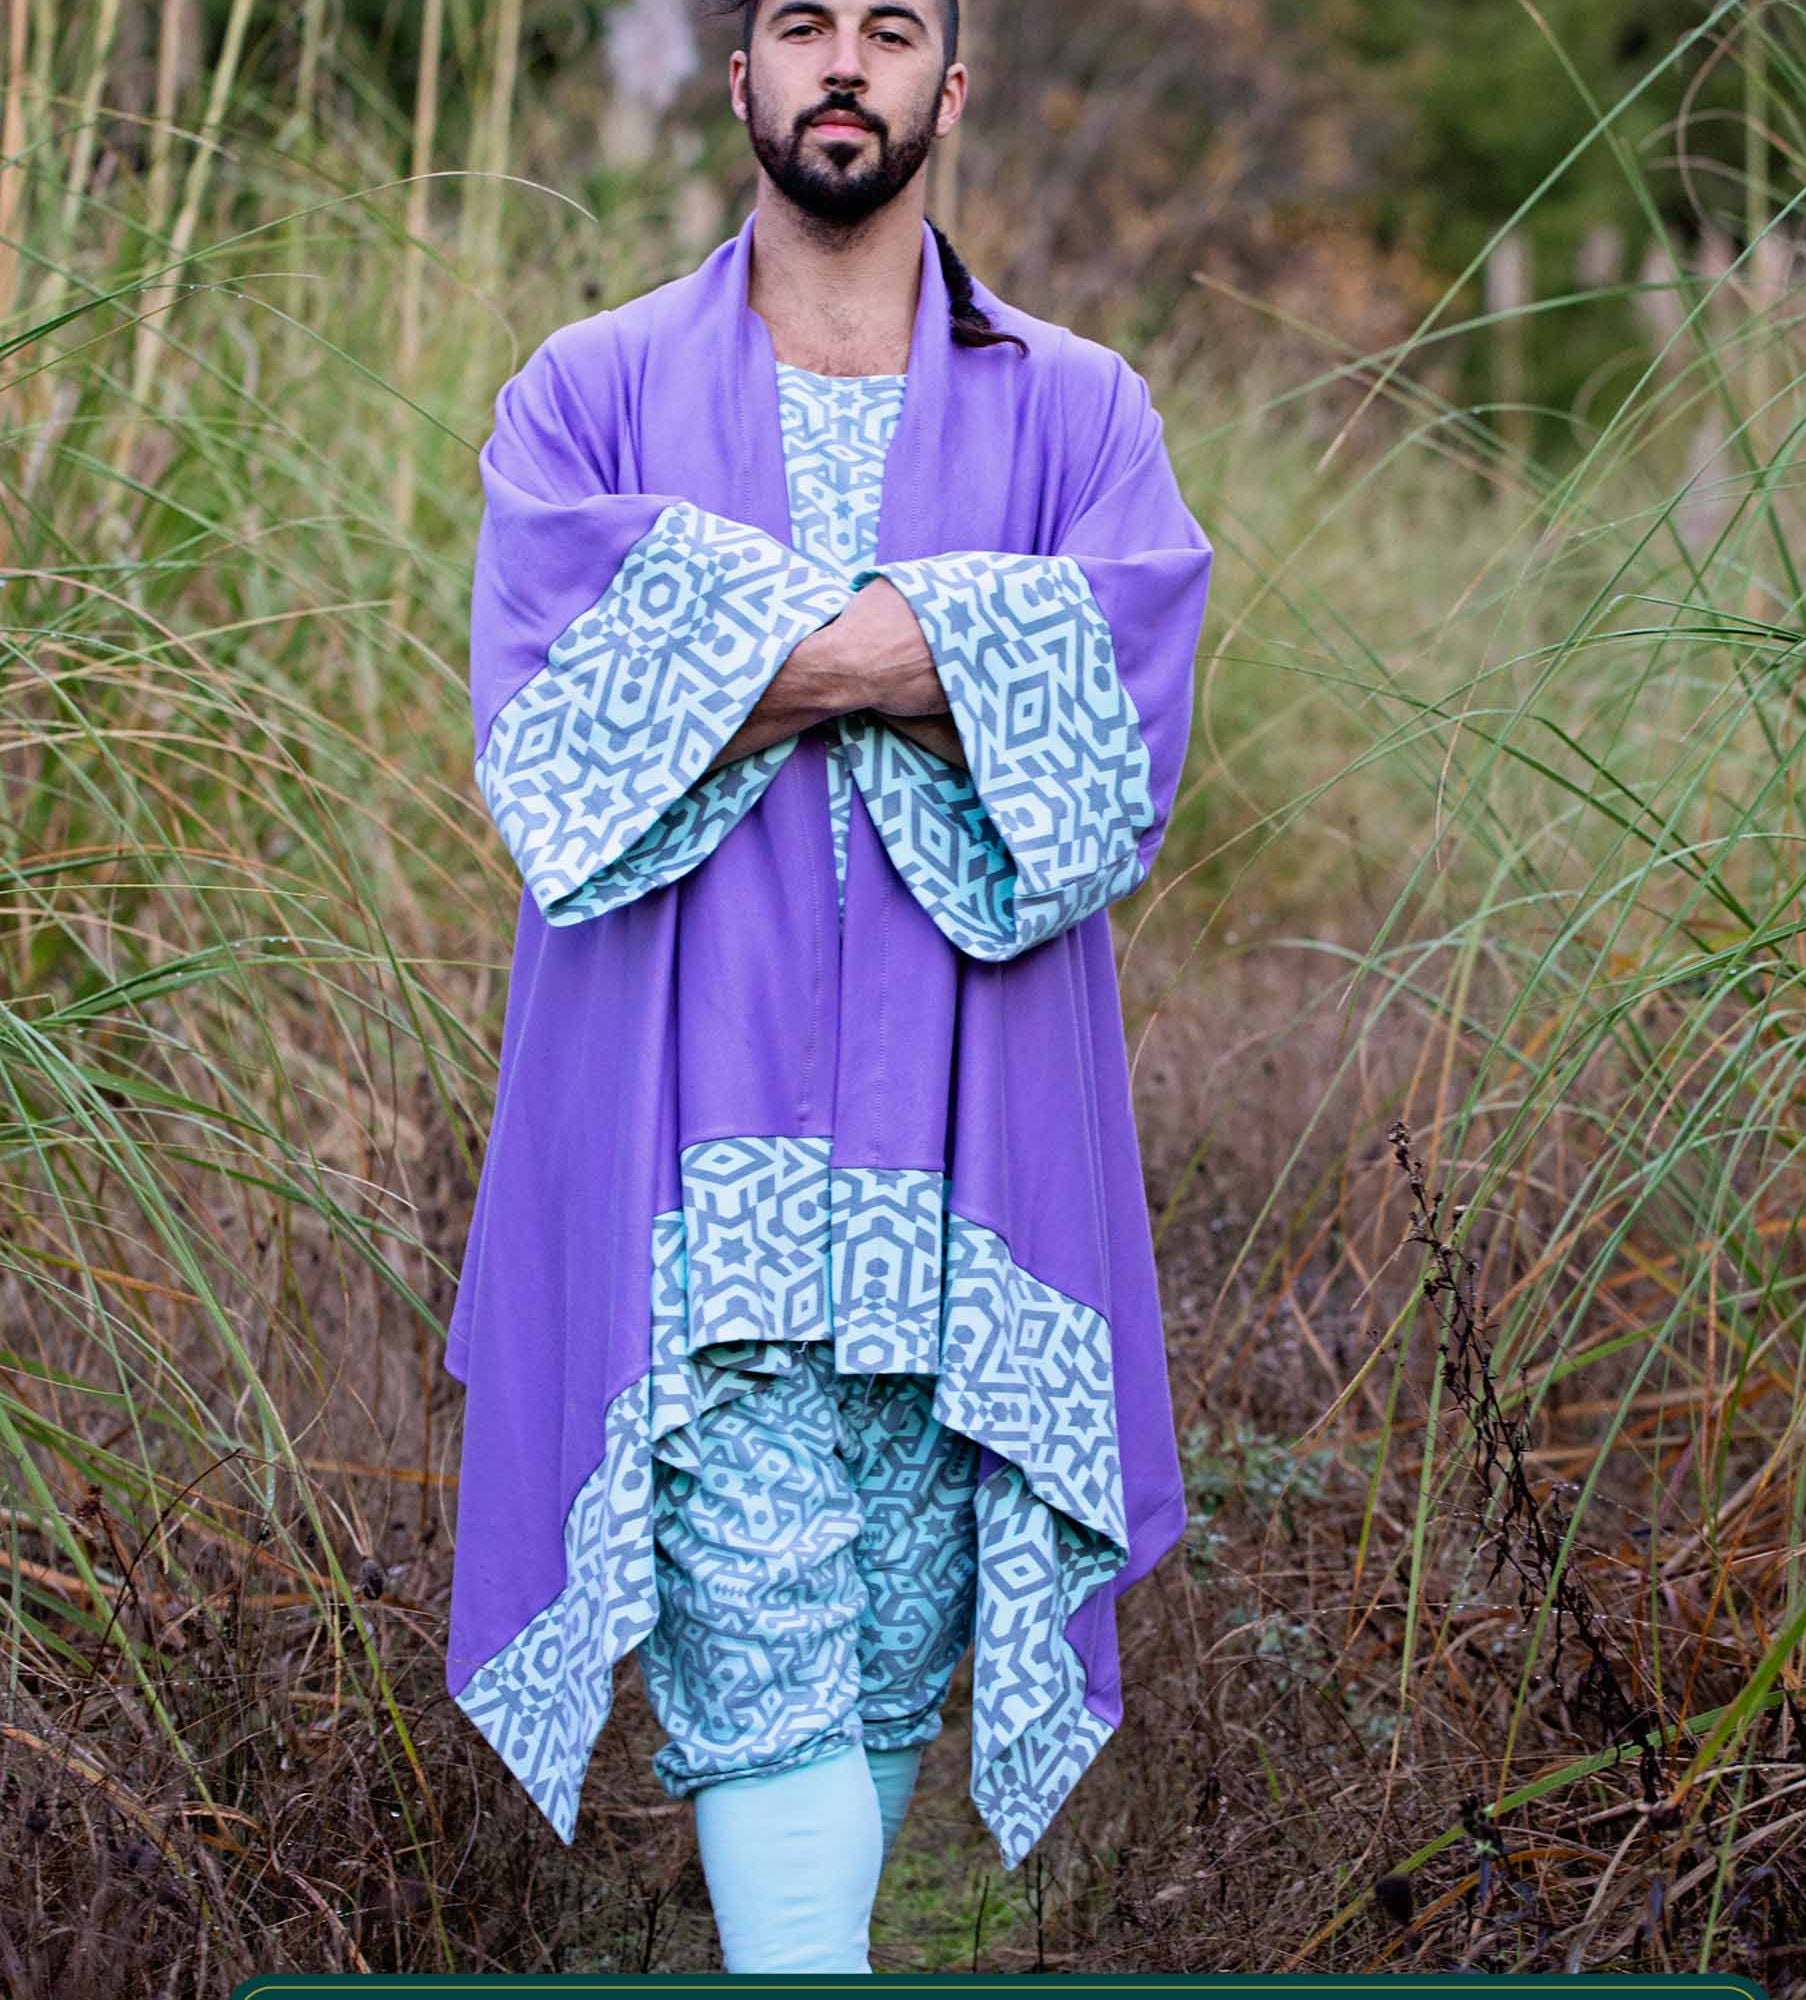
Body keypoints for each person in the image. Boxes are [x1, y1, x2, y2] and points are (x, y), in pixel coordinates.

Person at [440, 0, 1214, 1972]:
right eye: (801, 24)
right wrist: (948, 639)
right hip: (691, 1163)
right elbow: (549, 723)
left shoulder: (1079, 412)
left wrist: (731, 640)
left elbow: (1124, 722)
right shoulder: (585, 393)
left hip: (966, 1163)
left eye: (890, 28)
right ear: (741, 78)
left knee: (876, 1669)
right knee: (757, 1642)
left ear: (950, 87)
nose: (842, 62)